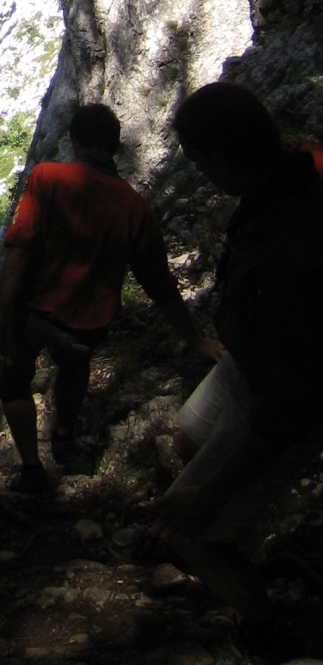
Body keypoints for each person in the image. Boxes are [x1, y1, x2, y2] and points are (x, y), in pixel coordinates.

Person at [152, 82, 323, 624]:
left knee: (187, 531)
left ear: (225, 157)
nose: (199, 173)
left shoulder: (290, 255)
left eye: (199, 161)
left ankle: (264, 631)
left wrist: (211, 494)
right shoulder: (287, 171)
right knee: (187, 434)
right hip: (250, 356)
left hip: (283, 386)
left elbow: (287, 412)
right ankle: (234, 532)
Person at [0, 102, 219, 492]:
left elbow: (18, 252)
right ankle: (64, 436)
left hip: (31, 312)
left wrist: (0, 319)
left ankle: (31, 468)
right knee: (74, 367)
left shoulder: (47, 178)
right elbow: (159, 284)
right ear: (114, 147)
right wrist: (196, 339)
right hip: (86, 323)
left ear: (75, 141)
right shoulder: (135, 207)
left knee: (12, 385)